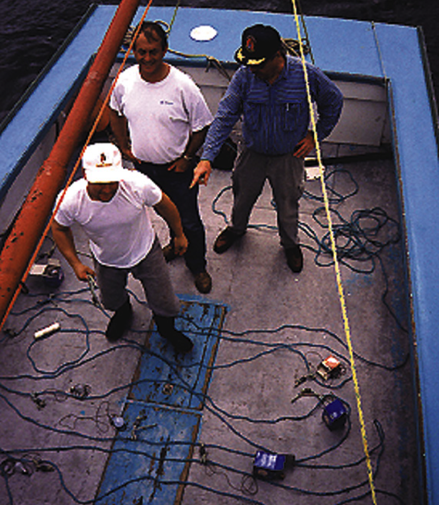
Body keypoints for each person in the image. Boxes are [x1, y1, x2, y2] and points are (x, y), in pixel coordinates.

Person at [191, 24, 343, 273]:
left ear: (277, 56)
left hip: (289, 156)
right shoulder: (244, 76)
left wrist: (315, 136)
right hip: (252, 153)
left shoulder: (306, 75)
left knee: (288, 204)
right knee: (242, 198)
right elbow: (225, 116)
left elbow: (333, 100)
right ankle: (237, 229)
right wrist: (207, 157)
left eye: (258, 64)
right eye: (249, 62)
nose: (252, 69)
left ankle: (290, 244)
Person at [51, 143, 193, 353]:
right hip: (106, 258)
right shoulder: (70, 200)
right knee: (111, 298)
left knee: (165, 301)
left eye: (112, 181)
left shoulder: (137, 184)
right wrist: (76, 264)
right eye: (100, 182)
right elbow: (59, 228)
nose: (107, 189)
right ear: (85, 175)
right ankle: (124, 312)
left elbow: (165, 204)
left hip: (146, 251)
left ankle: (166, 330)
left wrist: (179, 234)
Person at [109, 21, 213, 293]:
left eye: (153, 52)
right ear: (134, 51)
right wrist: (123, 146)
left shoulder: (183, 86)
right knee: (163, 212)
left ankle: (197, 265)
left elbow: (202, 126)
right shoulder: (125, 81)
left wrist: (188, 158)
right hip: (143, 168)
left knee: (189, 219)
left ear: (164, 50)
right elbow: (114, 112)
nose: (147, 58)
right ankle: (176, 244)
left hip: (176, 171)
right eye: (141, 52)